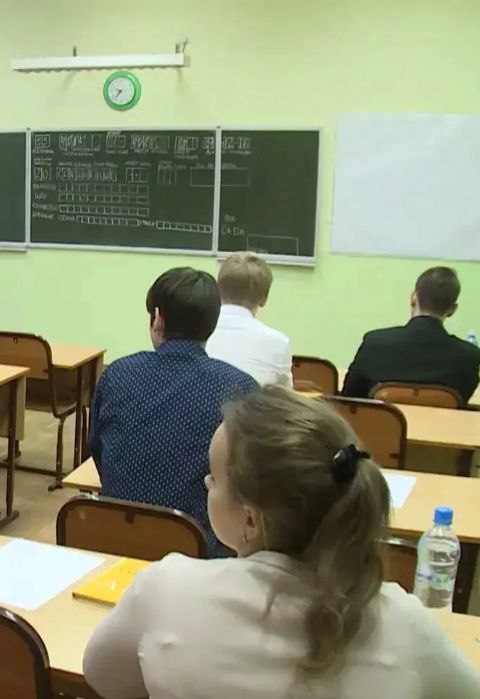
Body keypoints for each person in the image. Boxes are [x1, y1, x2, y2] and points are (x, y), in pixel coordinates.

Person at [83, 386, 480, 698]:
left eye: (214, 478)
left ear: (250, 519)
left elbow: (105, 679)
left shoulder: (167, 589)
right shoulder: (404, 624)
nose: (206, 482)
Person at [89, 267, 257, 547]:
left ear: (157, 318)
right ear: (212, 324)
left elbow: (97, 450)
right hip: (198, 550)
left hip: (111, 540)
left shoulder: (116, 373)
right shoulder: (241, 387)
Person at [342, 266, 480, 401]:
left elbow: (348, 399)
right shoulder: (469, 356)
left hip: (383, 418)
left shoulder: (374, 343)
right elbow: (462, 400)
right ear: (452, 309)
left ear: (414, 298)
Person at [205, 252, 292, 387]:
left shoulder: (196, 331)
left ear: (218, 291)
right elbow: (283, 397)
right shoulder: (279, 343)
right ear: (264, 299)